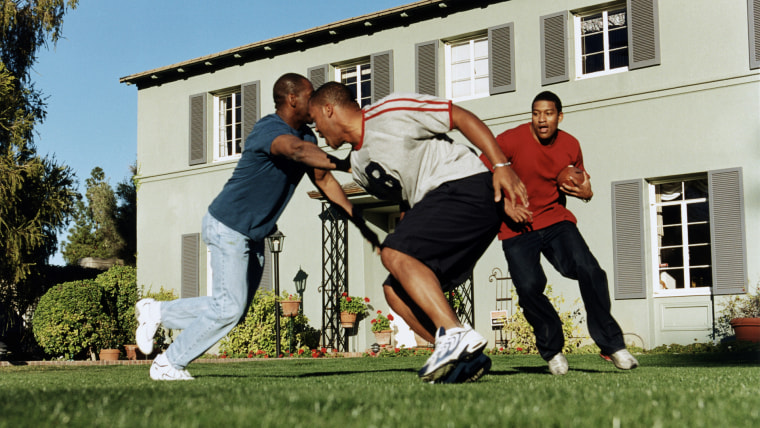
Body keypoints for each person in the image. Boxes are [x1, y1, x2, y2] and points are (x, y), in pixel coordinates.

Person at [134, 73, 378, 380]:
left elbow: (323, 179)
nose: (314, 100)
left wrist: (357, 218)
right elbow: (295, 152)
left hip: (253, 234)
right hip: (229, 225)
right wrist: (348, 163)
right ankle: (169, 363)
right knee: (229, 309)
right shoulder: (269, 129)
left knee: (231, 308)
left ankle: (157, 312)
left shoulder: (309, 138)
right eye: (309, 95)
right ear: (292, 99)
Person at [308, 82, 530, 383]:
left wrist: (501, 164)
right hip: (445, 203)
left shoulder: (390, 112)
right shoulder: (360, 165)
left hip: (467, 185)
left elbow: (460, 116)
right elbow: (405, 196)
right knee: (394, 290)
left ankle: (454, 333)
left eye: (316, 121)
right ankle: (466, 356)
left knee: (394, 251)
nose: (317, 130)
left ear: (328, 109)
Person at [480, 91, 638, 375]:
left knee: (590, 271)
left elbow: (580, 182)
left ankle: (612, 345)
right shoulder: (510, 140)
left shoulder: (570, 144)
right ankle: (553, 351)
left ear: (559, 116)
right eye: (536, 113)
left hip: (555, 220)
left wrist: (587, 194)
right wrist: (506, 206)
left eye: (548, 113)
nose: (542, 119)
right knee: (529, 289)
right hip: (516, 226)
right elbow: (480, 174)